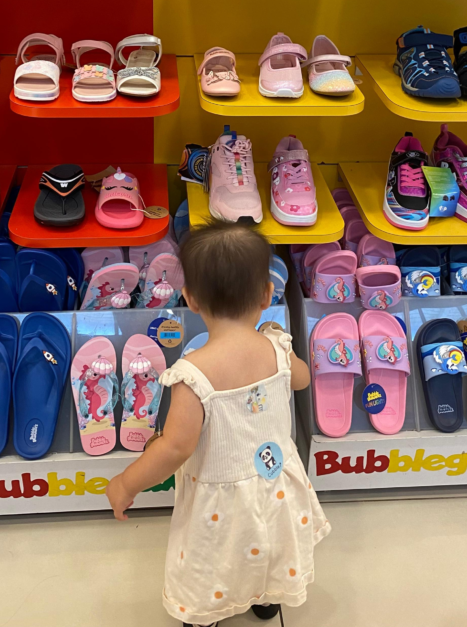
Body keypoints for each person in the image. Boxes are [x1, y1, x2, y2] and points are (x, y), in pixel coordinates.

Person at [106, 219, 330, 626]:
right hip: (276, 482)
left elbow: (175, 448)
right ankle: (266, 597)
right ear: (267, 294)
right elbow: (302, 378)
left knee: (215, 559)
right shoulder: (277, 347)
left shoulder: (192, 375)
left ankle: (205, 613)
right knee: (271, 543)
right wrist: (279, 340)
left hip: (221, 504)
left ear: (190, 299)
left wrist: (126, 483)